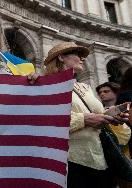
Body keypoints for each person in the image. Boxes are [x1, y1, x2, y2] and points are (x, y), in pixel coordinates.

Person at [42, 42, 130, 188]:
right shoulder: (45, 84)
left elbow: (98, 114)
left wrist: (112, 117)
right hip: (70, 162)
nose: (83, 58)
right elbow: (45, 120)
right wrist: (85, 119)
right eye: (78, 54)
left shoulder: (84, 87)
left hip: (101, 158)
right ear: (61, 57)